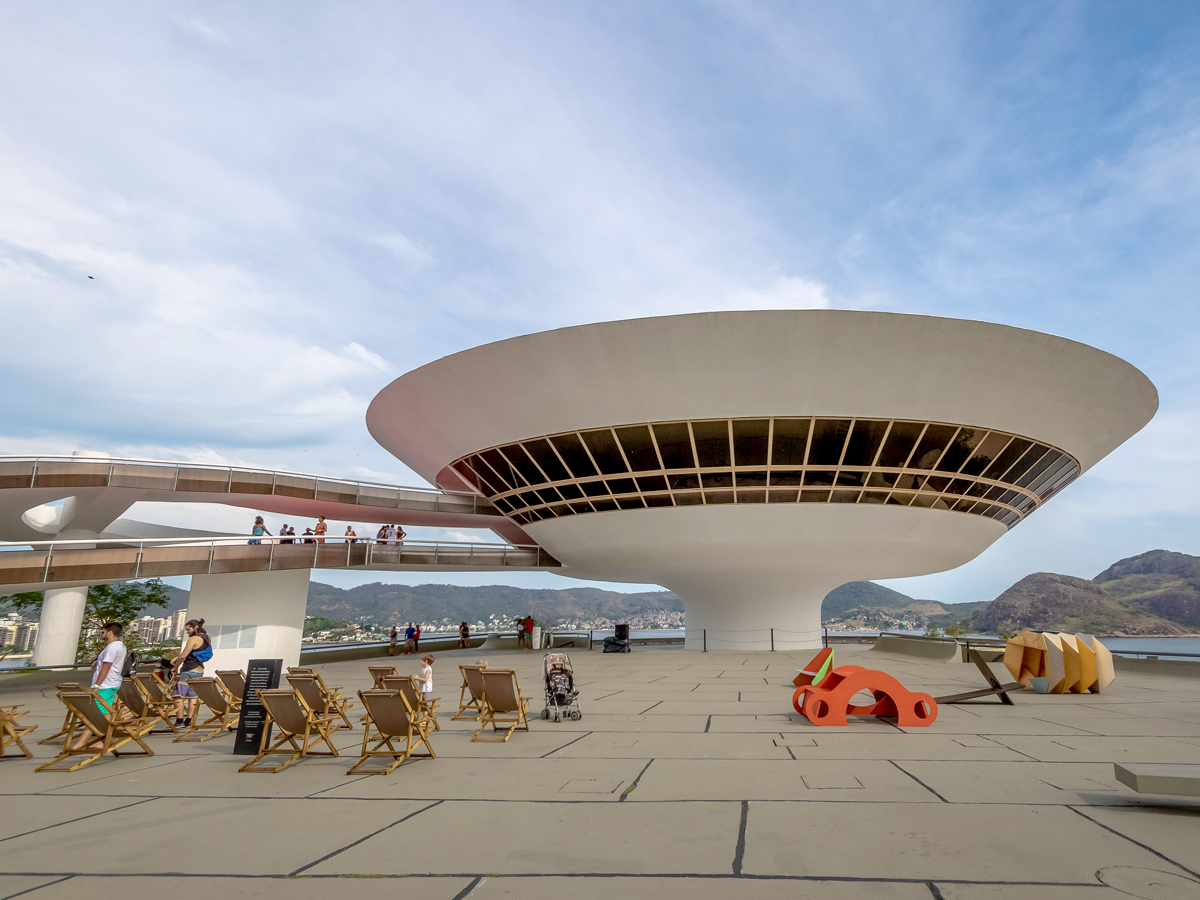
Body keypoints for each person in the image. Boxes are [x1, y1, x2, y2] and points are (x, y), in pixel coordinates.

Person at [72, 621, 127, 750]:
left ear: (110, 632)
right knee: (105, 713)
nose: (101, 634)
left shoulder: (113, 647)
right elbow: (107, 663)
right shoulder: (119, 646)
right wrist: (98, 662)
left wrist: (97, 685)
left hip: (105, 685)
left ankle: (80, 743)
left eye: (102, 632)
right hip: (111, 683)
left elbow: (107, 666)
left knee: (93, 714)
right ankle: (103, 739)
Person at [170, 618, 211, 726]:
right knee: (192, 695)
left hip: (189, 669)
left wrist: (175, 667)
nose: (187, 632)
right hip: (199, 669)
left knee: (178, 695)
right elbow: (194, 652)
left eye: (188, 629)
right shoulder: (207, 638)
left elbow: (184, 656)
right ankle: (189, 719)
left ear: (195, 627)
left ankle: (179, 720)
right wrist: (178, 657)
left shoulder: (193, 639)